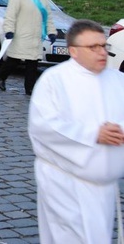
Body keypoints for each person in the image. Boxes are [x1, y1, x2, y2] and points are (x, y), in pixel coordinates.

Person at [28, 19, 124, 243]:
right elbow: (44, 126)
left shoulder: (118, 80)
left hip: (104, 187)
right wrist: (93, 134)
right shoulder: (55, 80)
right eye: (93, 47)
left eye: (104, 46)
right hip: (65, 184)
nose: (101, 52)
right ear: (73, 51)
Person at [0, 0, 56, 95]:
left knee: (33, 63)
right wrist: (9, 30)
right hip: (20, 34)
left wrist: (51, 32)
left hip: (36, 36)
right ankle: (0, 75)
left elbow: (48, 17)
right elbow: (10, 15)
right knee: (14, 59)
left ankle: (30, 88)